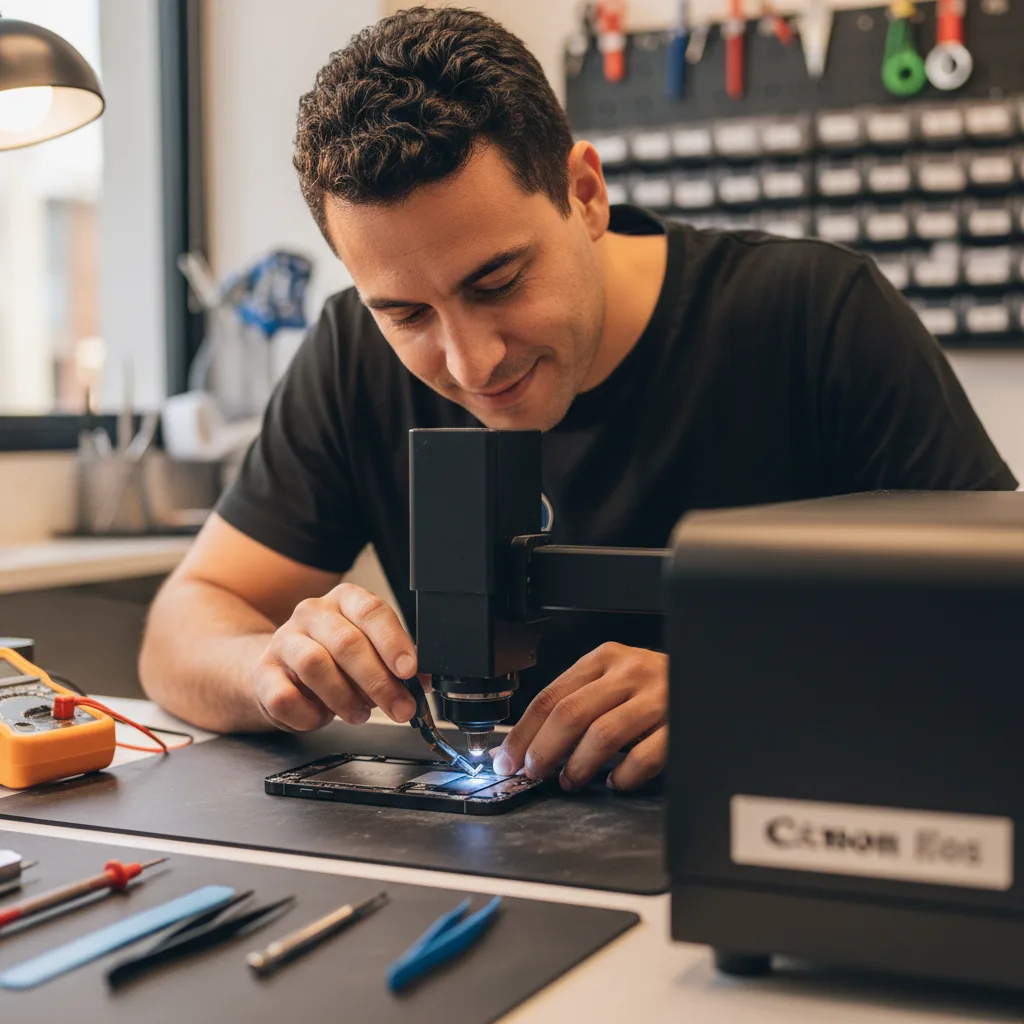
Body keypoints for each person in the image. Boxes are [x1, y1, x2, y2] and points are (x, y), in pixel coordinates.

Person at [139, 7, 1017, 794]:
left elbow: (997, 629)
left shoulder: (816, 316)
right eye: (406, 312)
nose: (470, 362)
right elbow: (181, 628)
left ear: (585, 194)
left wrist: (744, 685)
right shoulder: (349, 352)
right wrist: (267, 664)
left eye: (499, 281)